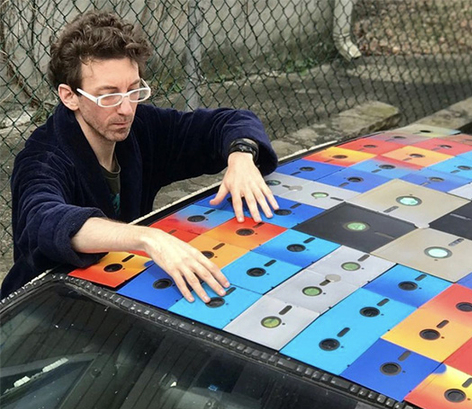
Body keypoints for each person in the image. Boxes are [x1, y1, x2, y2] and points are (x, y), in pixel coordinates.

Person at [1, 10, 279, 303]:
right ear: (69, 96)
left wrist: (242, 155)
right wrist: (148, 238)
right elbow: (44, 219)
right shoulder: (43, 158)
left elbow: (227, 123)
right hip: (48, 308)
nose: (125, 109)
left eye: (133, 90)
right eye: (108, 95)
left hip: (121, 290)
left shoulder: (141, 127)